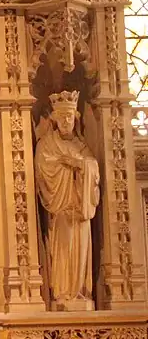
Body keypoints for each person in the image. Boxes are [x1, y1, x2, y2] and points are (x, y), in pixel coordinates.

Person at [35, 90, 99, 306]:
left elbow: (93, 169)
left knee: (81, 251)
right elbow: (43, 170)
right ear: (54, 120)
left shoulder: (81, 146)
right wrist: (63, 165)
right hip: (60, 209)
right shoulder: (46, 144)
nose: (65, 122)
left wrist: (79, 164)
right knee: (62, 251)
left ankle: (80, 291)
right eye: (61, 118)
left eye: (69, 117)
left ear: (75, 119)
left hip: (80, 209)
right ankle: (62, 292)